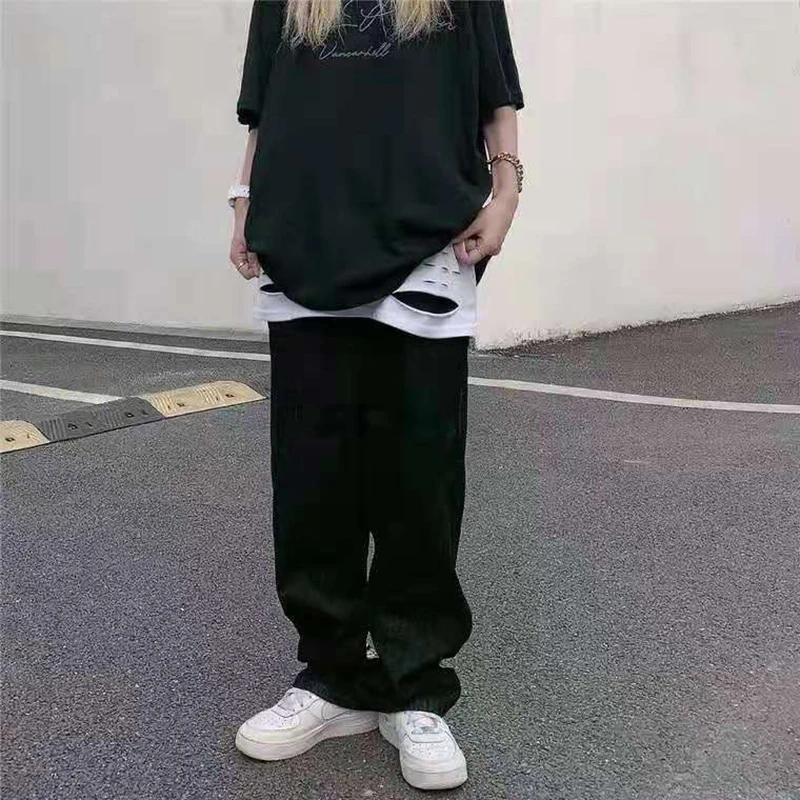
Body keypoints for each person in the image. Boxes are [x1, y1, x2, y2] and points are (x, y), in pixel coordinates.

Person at [227, 0, 523, 790]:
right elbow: (264, 107)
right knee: (311, 475)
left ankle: (412, 686)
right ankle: (331, 677)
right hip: (304, 234)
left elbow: (496, 92)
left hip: (426, 235)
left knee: (418, 475)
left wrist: (506, 193)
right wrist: (244, 203)